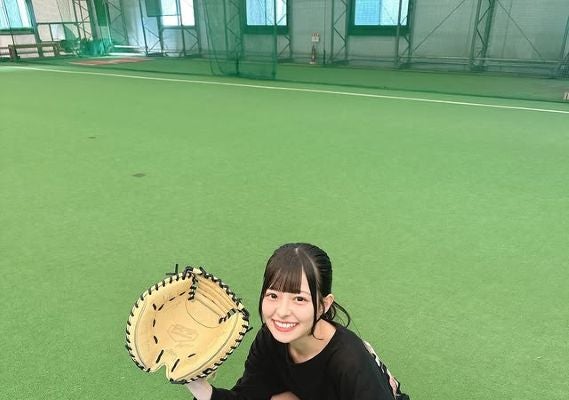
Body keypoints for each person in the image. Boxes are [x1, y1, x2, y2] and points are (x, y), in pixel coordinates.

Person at [186, 243, 410, 400]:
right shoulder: (270, 338)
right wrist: (197, 384)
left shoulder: (350, 361)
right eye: (273, 295)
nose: (282, 312)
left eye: (299, 299)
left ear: (323, 305)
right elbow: (248, 396)